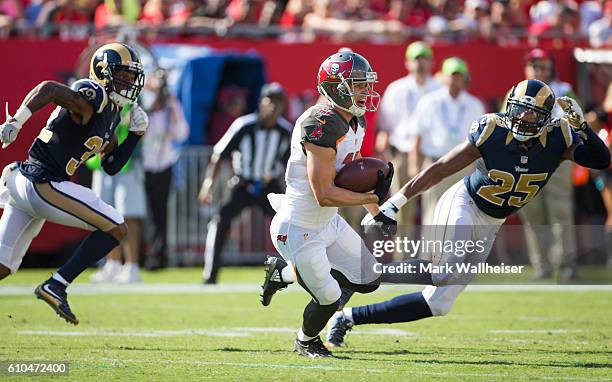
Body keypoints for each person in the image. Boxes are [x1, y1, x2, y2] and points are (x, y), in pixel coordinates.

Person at [325, 79, 611, 347]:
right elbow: (439, 169)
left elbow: (601, 158)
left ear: (547, 119)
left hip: (492, 222)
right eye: (519, 110)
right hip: (465, 204)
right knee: (443, 271)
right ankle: (361, 274)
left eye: (532, 114)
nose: (523, 119)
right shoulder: (492, 130)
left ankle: (346, 317)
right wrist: (396, 202)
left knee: (438, 304)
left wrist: (583, 128)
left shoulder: (559, 137)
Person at [259, 51, 435, 358]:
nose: (365, 91)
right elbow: (323, 193)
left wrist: (377, 212)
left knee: (368, 278)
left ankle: (283, 274)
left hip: (328, 221)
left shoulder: (356, 120)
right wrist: (373, 198)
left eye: (365, 84)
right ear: (335, 86)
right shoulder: (319, 123)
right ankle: (306, 339)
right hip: (298, 226)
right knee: (327, 298)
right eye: (357, 84)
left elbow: (347, 179)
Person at [0, 42, 147, 324]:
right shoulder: (95, 95)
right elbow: (50, 89)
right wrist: (17, 123)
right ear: (103, 73)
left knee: (3, 265)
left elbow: (111, 165)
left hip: (27, 184)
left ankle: (56, 284)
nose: (129, 83)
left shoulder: (112, 115)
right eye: (124, 76)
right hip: (41, 181)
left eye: (132, 77)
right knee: (116, 227)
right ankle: (56, 284)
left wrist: (136, 135)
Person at [197, 83, 293, 284]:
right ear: (261, 103)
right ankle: (210, 274)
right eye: (270, 101)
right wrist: (208, 185)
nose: (274, 107)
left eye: (278, 102)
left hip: (269, 186)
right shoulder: (244, 126)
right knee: (221, 221)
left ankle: (297, 272)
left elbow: (292, 165)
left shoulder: (286, 131)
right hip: (242, 183)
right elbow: (219, 154)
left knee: (289, 224)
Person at [519, 48, 578, 280]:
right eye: (533, 65)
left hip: (558, 158)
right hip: (527, 158)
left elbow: (577, 122)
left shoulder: (564, 91)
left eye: (542, 65)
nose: (538, 70)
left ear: (551, 68)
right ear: (526, 68)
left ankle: (566, 264)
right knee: (532, 213)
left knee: (560, 211)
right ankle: (541, 265)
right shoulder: (517, 91)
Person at [375, 41, 441, 230]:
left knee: (433, 208)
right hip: (402, 153)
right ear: (407, 62)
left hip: (431, 156)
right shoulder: (396, 89)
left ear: (431, 62)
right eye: (416, 59)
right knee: (401, 208)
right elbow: (386, 125)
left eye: (424, 58)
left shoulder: (438, 89)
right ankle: (401, 257)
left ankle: (431, 255)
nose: (420, 63)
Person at [412, 57, 484, 225]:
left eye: (459, 76)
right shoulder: (429, 101)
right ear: (443, 76)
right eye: (452, 75)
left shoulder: (474, 105)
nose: (455, 80)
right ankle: (430, 252)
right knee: (432, 215)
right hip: (435, 164)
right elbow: (417, 135)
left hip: (464, 167)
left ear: (466, 78)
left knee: (461, 215)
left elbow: (482, 140)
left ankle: (456, 252)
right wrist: (415, 165)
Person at [88, 102, 147, 283]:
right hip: (101, 164)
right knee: (104, 215)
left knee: (128, 215)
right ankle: (112, 264)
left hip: (129, 165)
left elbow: (142, 127)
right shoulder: (102, 98)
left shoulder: (136, 101)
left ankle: (132, 266)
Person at [140, 69, 189, 271]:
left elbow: (182, 133)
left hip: (163, 166)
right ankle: (137, 256)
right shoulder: (144, 105)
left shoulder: (172, 107)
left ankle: (158, 256)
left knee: (160, 215)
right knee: (139, 213)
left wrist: (172, 108)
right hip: (142, 167)